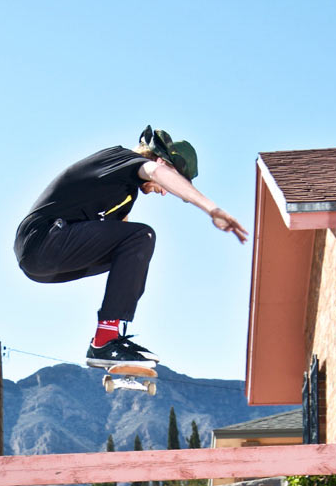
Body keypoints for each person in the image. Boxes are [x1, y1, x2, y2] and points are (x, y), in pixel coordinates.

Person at [14, 126, 247, 368]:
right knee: (142, 235)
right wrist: (211, 209)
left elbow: (128, 257)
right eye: (171, 182)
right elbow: (154, 173)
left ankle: (108, 340)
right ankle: (105, 340)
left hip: (46, 266)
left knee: (135, 248)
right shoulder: (123, 159)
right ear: (161, 160)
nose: (164, 192)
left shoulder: (124, 196)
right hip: (42, 240)